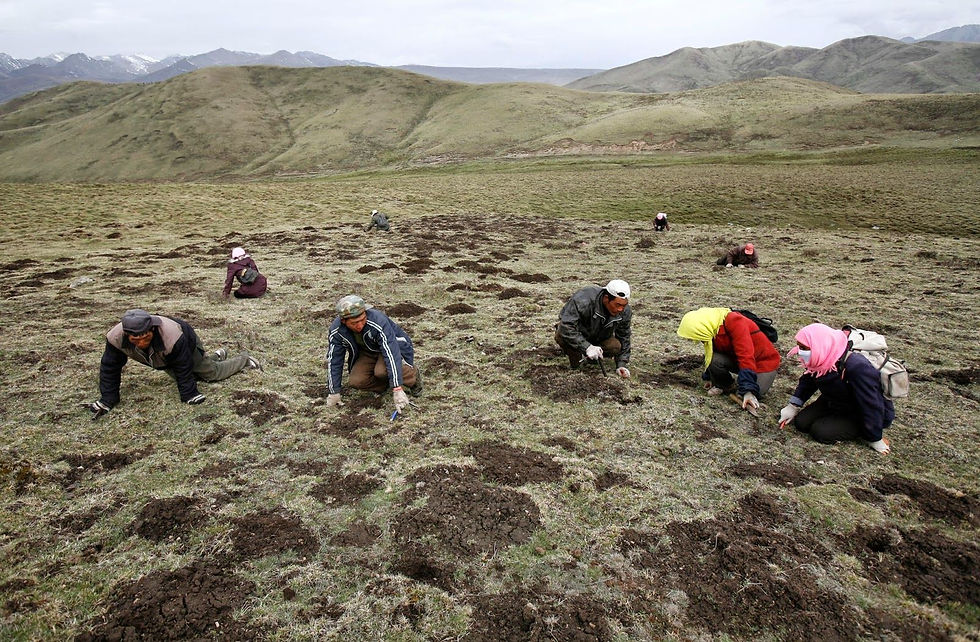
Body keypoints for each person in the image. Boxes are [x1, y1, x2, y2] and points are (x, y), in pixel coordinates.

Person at [82, 309, 261, 419]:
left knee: (210, 374)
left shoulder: (172, 337)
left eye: (145, 337)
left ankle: (245, 360)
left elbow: (182, 365)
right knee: (192, 375)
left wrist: (189, 394)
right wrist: (107, 400)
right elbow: (109, 368)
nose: (141, 342)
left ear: (151, 329)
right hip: (165, 359)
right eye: (136, 339)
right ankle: (217, 355)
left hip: (187, 344)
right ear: (127, 334)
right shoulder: (115, 338)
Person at [778, 323, 893, 454]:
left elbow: (872, 403)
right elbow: (808, 380)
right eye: (799, 346)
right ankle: (837, 418)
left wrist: (875, 437)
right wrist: (793, 405)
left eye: (804, 347)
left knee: (820, 432)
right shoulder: (820, 356)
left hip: (860, 410)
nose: (800, 351)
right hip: (836, 399)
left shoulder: (857, 367)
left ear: (820, 344)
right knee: (801, 423)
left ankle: (863, 430)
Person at [325, 294, 420, 412]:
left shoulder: (378, 321)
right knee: (356, 381)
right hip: (368, 351)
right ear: (344, 321)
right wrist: (334, 392)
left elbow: (390, 352)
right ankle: (385, 386)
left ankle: (413, 375)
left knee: (381, 371)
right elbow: (334, 359)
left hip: (395, 347)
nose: (359, 325)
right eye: (354, 323)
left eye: (362, 320)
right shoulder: (337, 331)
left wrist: (397, 389)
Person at [676, 307, 780, 411]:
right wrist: (710, 377)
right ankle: (725, 385)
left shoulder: (735, 322)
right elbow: (711, 353)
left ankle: (747, 385)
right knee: (714, 358)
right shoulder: (711, 329)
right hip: (737, 359)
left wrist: (748, 390)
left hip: (763, 363)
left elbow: (746, 356)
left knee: (747, 393)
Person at [555, 280, 632, 378]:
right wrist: (587, 347)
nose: (620, 309)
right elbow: (566, 326)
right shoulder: (583, 300)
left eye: (624, 305)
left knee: (615, 346)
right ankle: (576, 357)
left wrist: (621, 365)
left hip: (599, 338)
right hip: (579, 333)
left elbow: (624, 336)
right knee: (561, 335)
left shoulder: (625, 311)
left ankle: (592, 358)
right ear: (606, 298)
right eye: (617, 305)